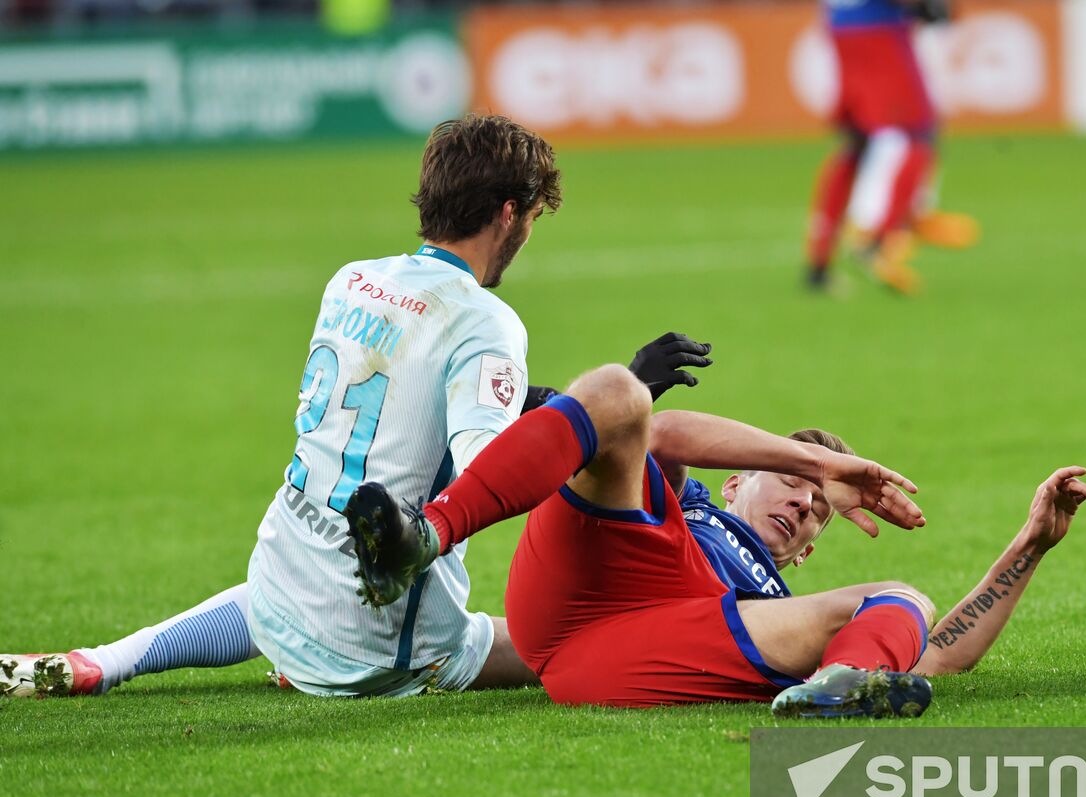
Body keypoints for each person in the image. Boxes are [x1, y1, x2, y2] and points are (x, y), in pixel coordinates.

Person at [0, 115, 708, 700]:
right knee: (566, 638)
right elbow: (491, 471)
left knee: (289, 579)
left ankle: (105, 660)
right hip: (379, 643)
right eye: (529, 219)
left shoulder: (352, 281)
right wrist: (615, 406)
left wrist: (554, 401)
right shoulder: (484, 321)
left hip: (287, 583)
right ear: (507, 214)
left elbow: (416, 389)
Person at [346, 367, 1086, 718]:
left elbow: (935, 651)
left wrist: (1032, 542)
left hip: (643, 649)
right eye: (788, 486)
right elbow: (665, 431)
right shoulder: (683, 502)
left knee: (902, 599)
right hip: (595, 586)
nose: (805, 504)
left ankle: (838, 691)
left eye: (816, 514)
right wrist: (816, 462)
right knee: (615, 393)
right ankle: (426, 535)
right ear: (736, 482)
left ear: (806, 552)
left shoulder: (777, 602)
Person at [804, 0, 981, 295]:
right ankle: (880, 241)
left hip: (841, 27)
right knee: (918, 136)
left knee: (857, 144)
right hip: (880, 30)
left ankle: (818, 264)